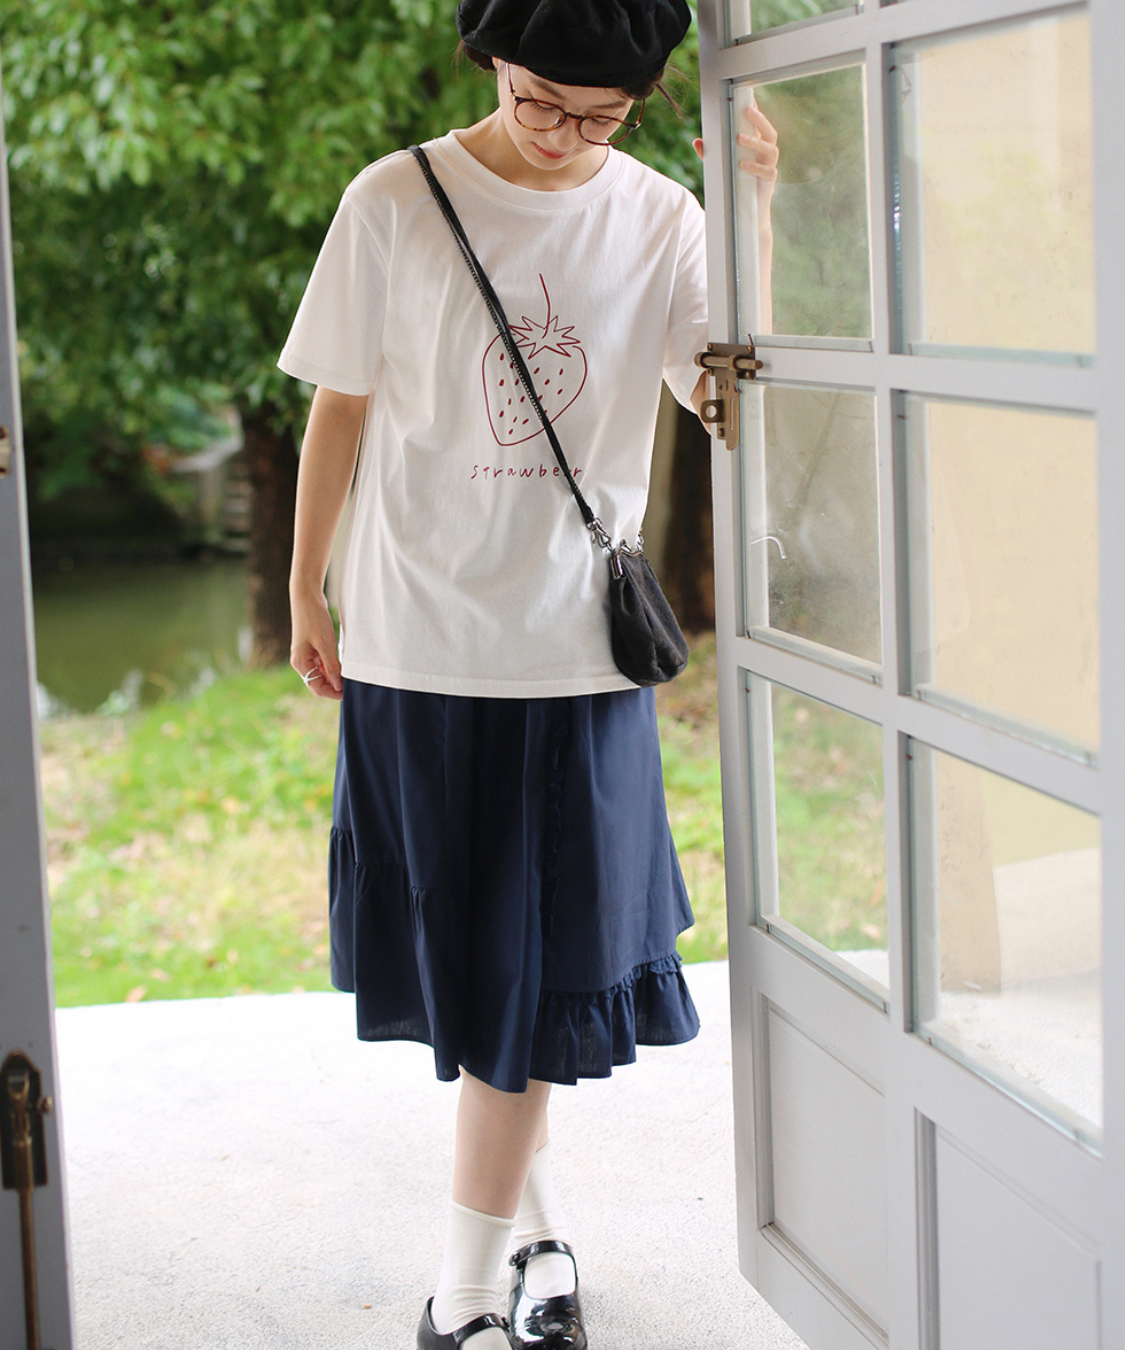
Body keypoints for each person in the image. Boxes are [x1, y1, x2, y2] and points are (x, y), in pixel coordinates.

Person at [279, 3, 778, 1347]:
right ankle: (537, 1241)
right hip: (416, 638)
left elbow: (727, 400)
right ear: (494, 63)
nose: (562, 136)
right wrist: (304, 582)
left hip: (573, 653)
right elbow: (339, 404)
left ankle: (460, 1296)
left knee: (536, 970)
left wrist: (756, 211)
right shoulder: (395, 198)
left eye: (599, 117)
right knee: (478, 966)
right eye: (539, 101)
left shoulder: (661, 216)